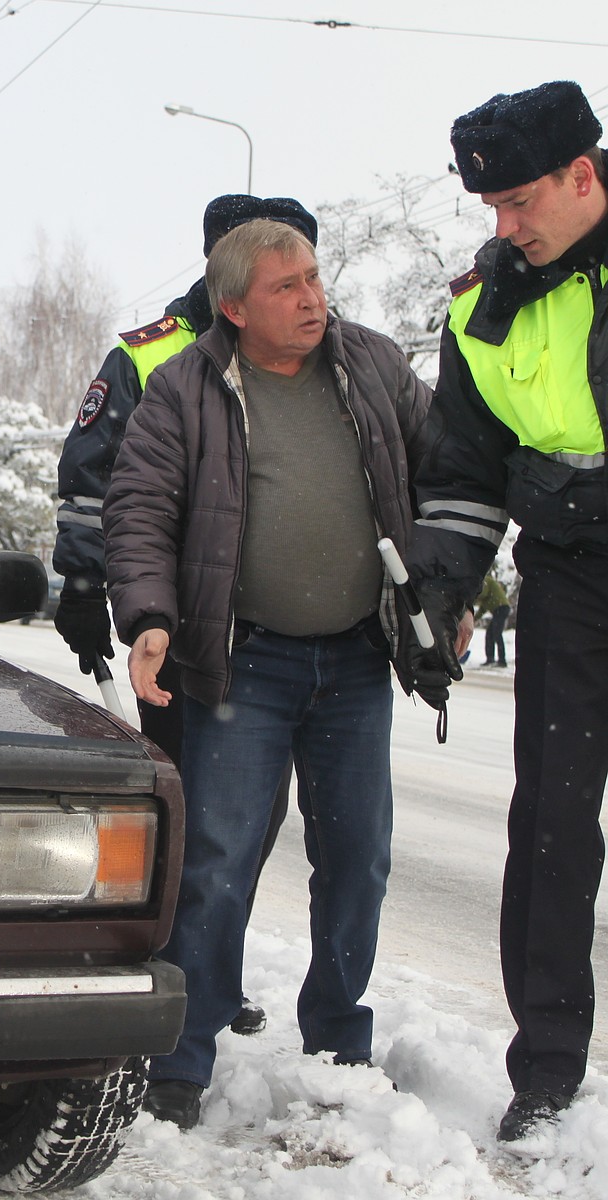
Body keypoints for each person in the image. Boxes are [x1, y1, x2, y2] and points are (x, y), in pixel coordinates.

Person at [103, 217, 435, 1130]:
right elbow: (138, 509)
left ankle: (337, 1041)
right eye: (287, 286)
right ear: (234, 306)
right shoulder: (184, 389)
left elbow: (442, 467)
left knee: (357, 857)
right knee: (215, 859)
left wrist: (442, 587)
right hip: (244, 660)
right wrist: (150, 618)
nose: (311, 298)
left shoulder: (370, 366)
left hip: (360, 658)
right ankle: (182, 1056)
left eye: (315, 278)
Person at [53, 194, 318, 1038]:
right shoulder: (152, 355)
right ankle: (158, 968)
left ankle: (205, 972)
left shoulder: (305, 354)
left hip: (269, 637)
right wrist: (86, 585)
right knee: (181, 809)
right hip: (169, 626)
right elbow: (92, 475)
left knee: (248, 820)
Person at [402, 80, 608, 1144]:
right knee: (554, 820)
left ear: (584, 175)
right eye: (491, 208)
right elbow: (465, 476)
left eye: (520, 200)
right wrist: (440, 598)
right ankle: (547, 1069)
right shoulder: (480, 308)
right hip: (573, 573)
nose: (505, 226)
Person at [475, 573, 511, 667]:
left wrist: (472, 596)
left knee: (497, 633)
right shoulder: (485, 598)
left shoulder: (486, 580)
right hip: (498, 610)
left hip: (501, 607)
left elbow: (483, 593)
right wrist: (474, 619)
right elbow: (482, 609)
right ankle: (490, 659)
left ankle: (502, 661)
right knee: (489, 634)